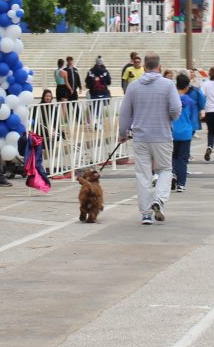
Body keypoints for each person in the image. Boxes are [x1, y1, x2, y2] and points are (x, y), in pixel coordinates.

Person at [118, 53, 182, 225]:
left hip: (140, 136)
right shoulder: (168, 85)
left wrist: (123, 133)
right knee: (165, 169)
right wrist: (171, 117)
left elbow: (125, 113)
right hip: (162, 135)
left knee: (143, 174)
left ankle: (146, 213)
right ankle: (159, 199)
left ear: (144, 67)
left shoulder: (133, 86)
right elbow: (176, 108)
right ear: (159, 66)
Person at [171, 73, 199, 192]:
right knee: (183, 158)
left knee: (172, 156)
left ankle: (172, 173)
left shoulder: (171, 100)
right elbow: (193, 118)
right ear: (187, 87)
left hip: (172, 132)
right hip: (185, 132)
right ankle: (181, 184)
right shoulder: (190, 101)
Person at [85, 57, 112, 125]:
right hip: (103, 92)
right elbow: (109, 82)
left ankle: (92, 121)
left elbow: (87, 81)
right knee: (100, 107)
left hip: (93, 92)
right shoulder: (105, 71)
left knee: (93, 106)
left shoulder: (91, 71)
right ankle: (99, 122)